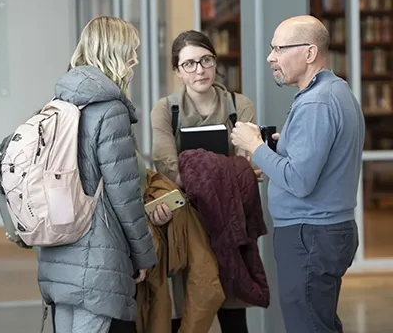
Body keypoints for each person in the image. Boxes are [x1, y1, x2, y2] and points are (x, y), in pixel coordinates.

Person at [230, 15, 365, 333]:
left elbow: (299, 181)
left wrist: (255, 147)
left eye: (279, 48)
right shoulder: (335, 90)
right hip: (321, 232)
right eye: (271, 48)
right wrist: (279, 150)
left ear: (309, 52)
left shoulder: (317, 102)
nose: (270, 57)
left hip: (310, 235)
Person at [37, 16, 156, 333]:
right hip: (99, 255)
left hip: (58, 247)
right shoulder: (110, 109)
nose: (134, 60)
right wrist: (143, 257)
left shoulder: (58, 103)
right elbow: (124, 195)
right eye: (130, 51)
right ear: (114, 54)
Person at [150, 30, 263, 333]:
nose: (199, 70)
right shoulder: (166, 110)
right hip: (186, 225)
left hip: (230, 223)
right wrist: (228, 172)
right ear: (177, 70)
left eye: (206, 60)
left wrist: (204, 172)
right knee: (185, 315)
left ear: (215, 62)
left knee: (234, 318)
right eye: (189, 64)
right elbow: (167, 169)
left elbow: (246, 167)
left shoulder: (239, 105)